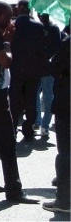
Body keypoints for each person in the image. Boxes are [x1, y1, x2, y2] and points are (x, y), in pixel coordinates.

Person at [0, 1, 39, 204]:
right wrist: (9, 42)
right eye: (10, 17)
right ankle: (14, 190)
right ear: (1, 15)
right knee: (8, 141)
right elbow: (6, 61)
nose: (11, 21)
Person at [9, 0, 45, 141]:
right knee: (31, 99)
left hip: (16, 69)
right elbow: (42, 49)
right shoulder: (38, 26)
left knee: (14, 98)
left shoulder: (12, 26)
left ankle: (13, 126)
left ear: (18, 9)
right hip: (33, 70)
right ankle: (28, 126)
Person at [42, 34, 70, 212]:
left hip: (67, 102)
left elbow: (53, 67)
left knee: (66, 153)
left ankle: (65, 201)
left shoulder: (68, 43)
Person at [34, 13, 61, 135]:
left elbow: (56, 48)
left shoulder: (54, 29)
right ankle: (38, 121)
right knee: (35, 96)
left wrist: (43, 55)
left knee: (47, 98)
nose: (40, 16)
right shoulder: (37, 27)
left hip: (47, 69)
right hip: (37, 68)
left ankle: (44, 125)